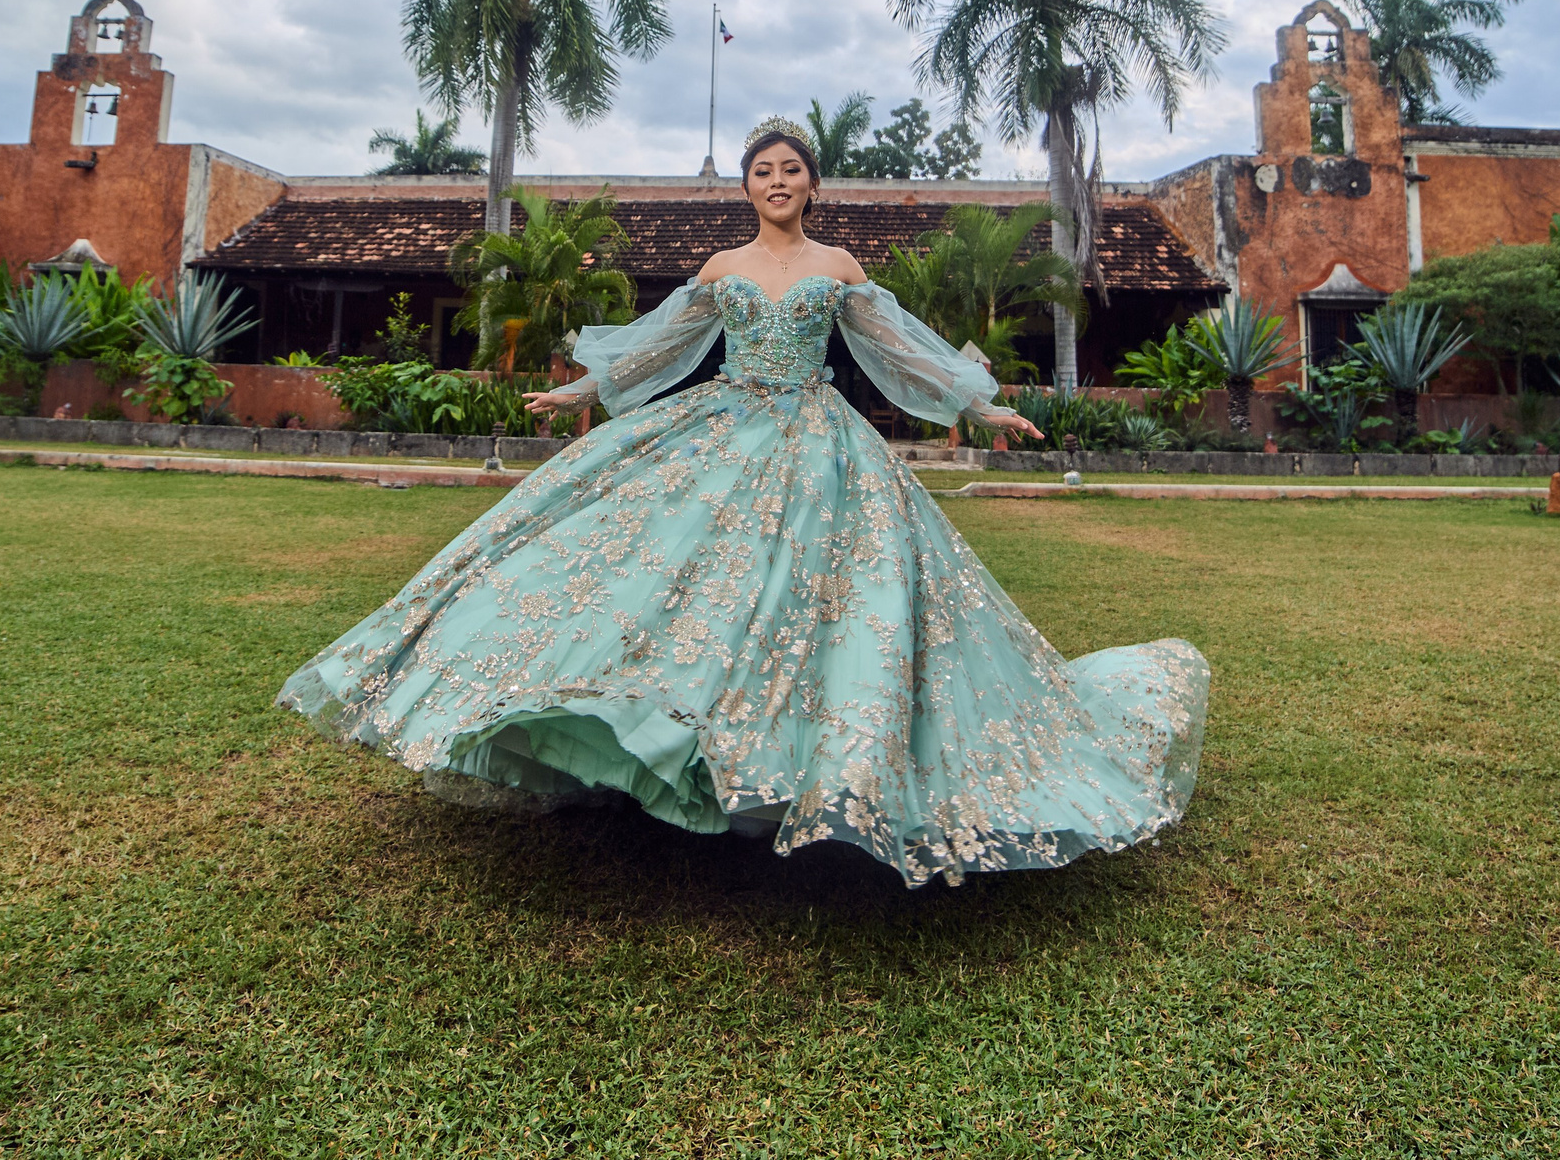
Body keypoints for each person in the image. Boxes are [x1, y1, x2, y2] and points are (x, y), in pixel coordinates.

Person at [277, 118, 1209, 888]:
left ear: (811, 184)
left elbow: (904, 349)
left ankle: (794, 769)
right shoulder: (720, 265)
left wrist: (980, 401)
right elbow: (655, 344)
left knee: (813, 604)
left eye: (790, 169)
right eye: (762, 169)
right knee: (668, 583)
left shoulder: (840, 266)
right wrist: (578, 394)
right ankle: (657, 742)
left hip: (817, 442)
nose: (775, 180)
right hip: (717, 431)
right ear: (747, 186)